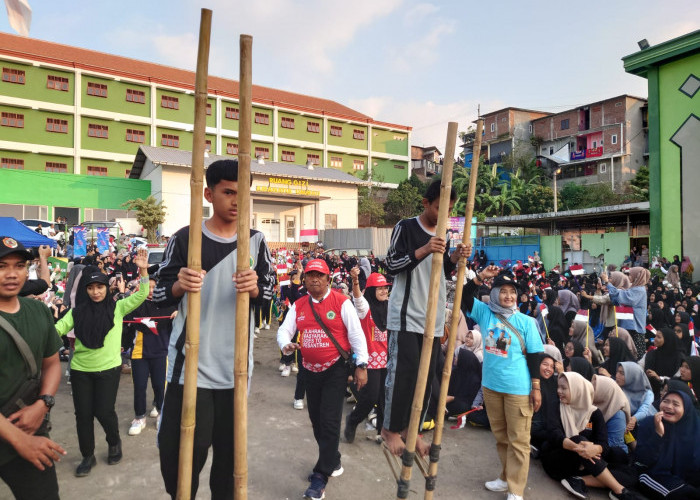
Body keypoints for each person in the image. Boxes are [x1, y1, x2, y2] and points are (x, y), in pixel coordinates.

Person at [153, 159, 275, 499]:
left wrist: (254, 288)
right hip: (188, 370)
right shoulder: (185, 239)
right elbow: (159, 296)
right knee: (179, 459)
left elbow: (270, 297)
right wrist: (179, 285)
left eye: (244, 193)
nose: (237, 201)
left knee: (229, 463)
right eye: (229, 193)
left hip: (235, 372)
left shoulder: (256, 241)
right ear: (208, 193)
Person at [381, 179, 468, 457]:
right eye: (441, 208)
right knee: (403, 374)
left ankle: (412, 431)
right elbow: (391, 264)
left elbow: (440, 273)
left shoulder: (445, 233)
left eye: (451, 209)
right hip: (406, 316)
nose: (446, 214)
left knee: (426, 378)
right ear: (426, 203)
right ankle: (390, 429)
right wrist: (425, 249)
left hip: (431, 319)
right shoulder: (405, 227)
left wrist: (454, 257)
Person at [277, 259, 368, 500]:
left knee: (329, 422)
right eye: (310, 275)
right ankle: (334, 461)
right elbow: (285, 329)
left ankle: (321, 476)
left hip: (335, 370)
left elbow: (356, 335)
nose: (315, 279)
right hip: (309, 370)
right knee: (317, 421)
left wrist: (361, 365)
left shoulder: (342, 302)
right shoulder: (298, 305)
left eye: (320, 275)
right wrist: (285, 344)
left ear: (328, 279)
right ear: (304, 279)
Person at [55, 248, 150, 477]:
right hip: (80, 371)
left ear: (107, 288)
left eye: (100, 287)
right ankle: (87, 456)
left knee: (104, 411)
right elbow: (56, 330)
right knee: (83, 415)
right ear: (85, 290)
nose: (96, 292)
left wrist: (144, 270)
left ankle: (114, 442)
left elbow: (140, 295)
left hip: (109, 369)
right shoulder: (76, 312)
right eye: (90, 288)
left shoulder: (117, 307)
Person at [461, 267, 544, 500]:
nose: (508, 296)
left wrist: (536, 387)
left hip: (518, 388)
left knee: (519, 440)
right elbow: (465, 295)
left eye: (512, 292)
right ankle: (505, 477)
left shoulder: (526, 322)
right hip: (491, 387)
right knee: (501, 437)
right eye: (503, 291)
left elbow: (536, 355)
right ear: (495, 293)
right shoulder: (486, 313)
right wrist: (480, 278)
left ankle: (516, 490)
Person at [0, 237, 66, 500]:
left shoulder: (38, 310)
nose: (12, 274)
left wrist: (43, 403)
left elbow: (51, 363)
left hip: (31, 425)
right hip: (19, 437)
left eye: (19, 266)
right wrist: (19, 440)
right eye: (2, 266)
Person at [540, 372, 639, 500]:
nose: (559, 391)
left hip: (586, 464)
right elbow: (554, 434)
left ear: (578, 390)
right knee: (580, 440)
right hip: (559, 459)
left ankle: (579, 480)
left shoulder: (594, 413)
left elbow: (604, 444)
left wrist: (595, 449)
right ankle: (619, 490)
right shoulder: (556, 406)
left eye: (564, 388)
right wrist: (578, 447)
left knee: (626, 465)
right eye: (558, 387)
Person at [124, 278, 176, 436]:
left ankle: (161, 412)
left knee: (160, 386)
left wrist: (179, 313)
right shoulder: (135, 304)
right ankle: (139, 417)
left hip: (161, 352)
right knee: (139, 386)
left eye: (155, 287)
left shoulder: (169, 304)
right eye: (149, 287)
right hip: (140, 353)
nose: (152, 290)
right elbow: (122, 318)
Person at [344, 268, 389, 444]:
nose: (384, 291)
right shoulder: (365, 309)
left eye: (385, 287)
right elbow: (357, 298)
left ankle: (382, 432)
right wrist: (355, 281)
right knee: (370, 397)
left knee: (386, 398)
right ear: (371, 290)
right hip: (368, 361)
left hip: (387, 360)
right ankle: (353, 420)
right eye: (380, 288)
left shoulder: (389, 306)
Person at [635, 388, 700, 499]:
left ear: (686, 409)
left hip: (687, 480)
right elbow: (643, 460)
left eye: (676, 404)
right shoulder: (649, 423)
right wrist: (658, 434)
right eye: (665, 401)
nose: (668, 406)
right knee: (683, 494)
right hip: (654, 476)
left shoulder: (694, 429)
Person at [602, 268, 650, 359]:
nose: (629, 277)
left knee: (633, 355)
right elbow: (618, 300)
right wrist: (612, 291)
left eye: (631, 275)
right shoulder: (634, 288)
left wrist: (608, 283)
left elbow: (624, 298)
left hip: (634, 328)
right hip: (627, 326)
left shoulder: (639, 290)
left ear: (637, 277)